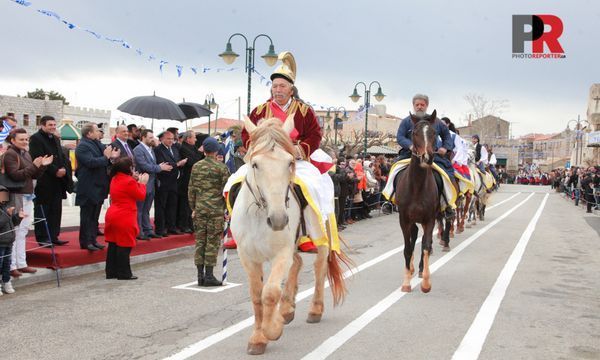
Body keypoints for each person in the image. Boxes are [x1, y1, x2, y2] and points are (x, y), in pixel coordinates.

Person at [231, 51, 337, 253]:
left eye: (282, 86)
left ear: (291, 89)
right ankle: (236, 230)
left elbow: (315, 135)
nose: (277, 90)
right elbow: (247, 133)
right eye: (274, 86)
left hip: (293, 158)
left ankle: (306, 232)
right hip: (265, 158)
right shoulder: (260, 110)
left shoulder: (304, 111)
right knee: (234, 182)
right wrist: (254, 146)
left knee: (311, 187)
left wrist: (299, 149)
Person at [383, 94, 457, 218]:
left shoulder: (437, 122)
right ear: (413, 106)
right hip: (409, 154)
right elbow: (400, 137)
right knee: (394, 170)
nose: (419, 107)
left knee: (445, 175)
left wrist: (445, 147)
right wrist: (410, 145)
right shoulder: (407, 121)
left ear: (426, 106)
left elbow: (447, 136)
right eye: (417, 105)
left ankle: (448, 204)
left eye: (422, 105)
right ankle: (389, 199)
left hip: (432, 155)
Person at [3, 128, 52, 277]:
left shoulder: (25, 153)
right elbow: (16, 176)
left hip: (27, 195)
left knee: (23, 230)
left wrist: (42, 165)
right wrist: (35, 166)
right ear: (12, 140)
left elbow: (33, 175)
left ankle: (21, 263)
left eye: (26, 139)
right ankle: (11, 265)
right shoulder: (10, 154)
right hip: (16, 195)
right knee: (15, 231)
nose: (25, 142)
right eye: (21, 139)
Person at [189, 137, 229, 287]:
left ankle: (200, 275)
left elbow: (191, 188)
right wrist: (227, 208)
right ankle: (209, 275)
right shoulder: (221, 168)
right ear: (216, 150)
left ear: (204, 150)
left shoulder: (196, 166)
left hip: (200, 209)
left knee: (200, 241)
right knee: (212, 242)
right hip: (215, 210)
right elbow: (226, 191)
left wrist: (193, 207)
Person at [75, 123, 120, 251]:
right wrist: (106, 157)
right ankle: (85, 241)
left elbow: (105, 158)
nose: (98, 132)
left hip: (99, 185)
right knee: (87, 216)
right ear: (89, 133)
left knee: (94, 216)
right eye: (96, 130)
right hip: (88, 186)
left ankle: (93, 239)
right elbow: (90, 162)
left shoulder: (96, 143)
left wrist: (111, 157)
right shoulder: (83, 146)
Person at [104, 157, 148, 280]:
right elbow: (141, 195)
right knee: (125, 245)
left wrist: (135, 180)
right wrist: (142, 183)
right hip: (124, 215)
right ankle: (124, 273)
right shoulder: (129, 181)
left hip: (113, 213)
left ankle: (111, 272)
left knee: (113, 244)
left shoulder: (115, 178)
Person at [28, 116, 69, 246]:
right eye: (50, 125)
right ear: (42, 125)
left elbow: (61, 156)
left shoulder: (55, 138)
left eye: (54, 125)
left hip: (57, 181)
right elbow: (38, 158)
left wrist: (63, 168)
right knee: (43, 210)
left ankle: (54, 236)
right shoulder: (36, 139)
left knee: (55, 210)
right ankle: (42, 238)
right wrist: (55, 170)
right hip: (44, 180)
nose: (52, 127)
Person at [133, 129, 173, 240]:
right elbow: (145, 166)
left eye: (152, 137)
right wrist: (160, 167)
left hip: (151, 184)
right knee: (140, 209)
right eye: (150, 137)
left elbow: (152, 164)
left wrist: (158, 166)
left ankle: (148, 230)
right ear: (143, 137)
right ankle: (139, 231)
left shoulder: (151, 149)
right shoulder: (138, 150)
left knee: (146, 209)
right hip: (143, 183)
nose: (152, 139)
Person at [153, 131, 187, 236]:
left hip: (174, 181)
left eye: (172, 138)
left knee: (172, 205)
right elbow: (163, 164)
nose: (171, 141)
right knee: (161, 206)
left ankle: (171, 226)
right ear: (162, 139)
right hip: (163, 181)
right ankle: (160, 228)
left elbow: (177, 159)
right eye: (168, 139)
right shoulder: (158, 150)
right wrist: (177, 164)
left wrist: (178, 164)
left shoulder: (175, 149)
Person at [177, 130, 202, 233]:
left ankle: (191, 224)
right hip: (186, 179)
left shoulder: (193, 147)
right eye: (194, 137)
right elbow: (193, 161)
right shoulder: (183, 148)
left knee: (192, 204)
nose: (196, 139)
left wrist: (199, 153)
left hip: (194, 179)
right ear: (188, 139)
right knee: (185, 204)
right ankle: (184, 225)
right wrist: (200, 152)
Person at [0, 186, 24, 295]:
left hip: (9, 242)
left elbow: (12, 223)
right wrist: (7, 215)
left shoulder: (6, 207)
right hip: (1, 242)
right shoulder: (5, 211)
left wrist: (18, 217)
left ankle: (6, 281)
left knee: (7, 264)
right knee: (0, 264)